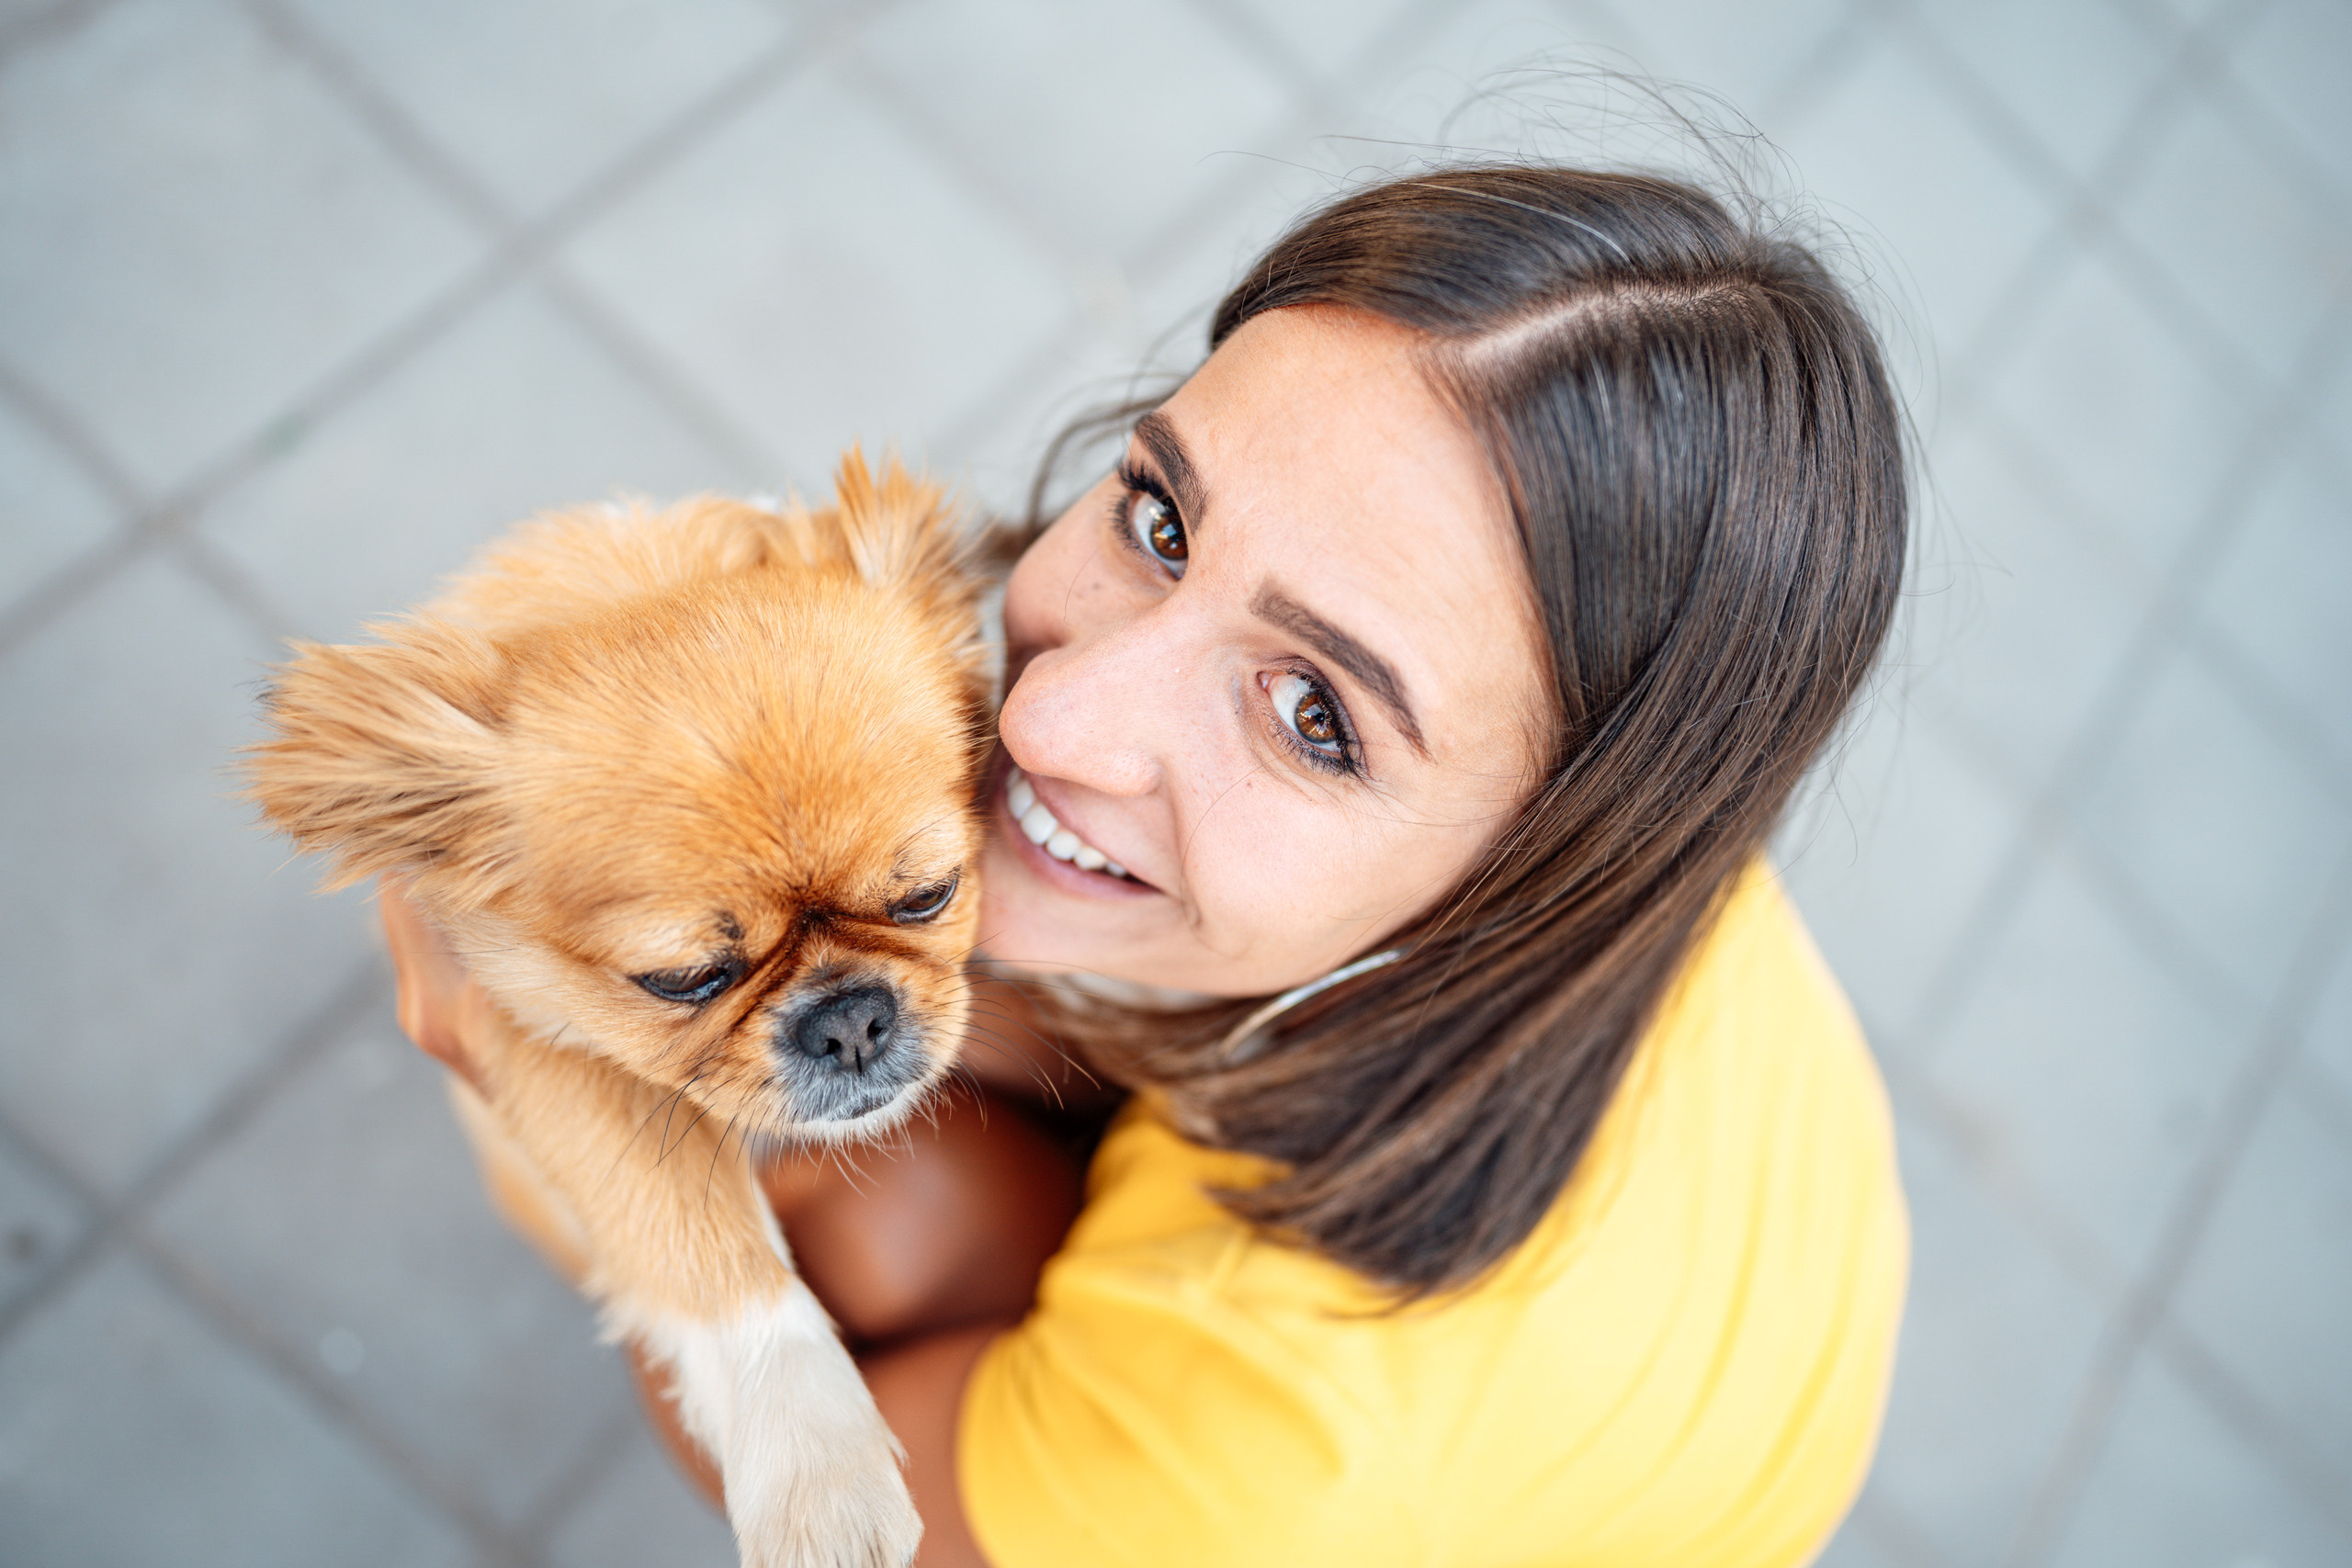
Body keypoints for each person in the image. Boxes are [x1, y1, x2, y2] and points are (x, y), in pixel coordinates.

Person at [383, 164, 1911, 1567]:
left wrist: (558, 1097)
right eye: (1164, 517)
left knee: (878, 1216)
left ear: (1550, 860)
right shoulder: (1638, 826)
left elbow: (849, 1522)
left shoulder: (1286, 1427)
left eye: (1318, 717)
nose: (1048, 713)